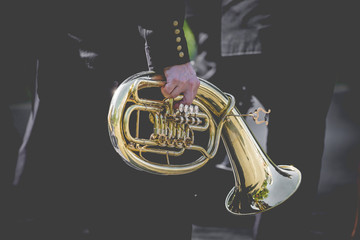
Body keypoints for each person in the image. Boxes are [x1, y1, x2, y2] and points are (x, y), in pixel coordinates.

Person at [8, 1, 200, 239]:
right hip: (124, 54)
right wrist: (172, 55)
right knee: (150, 214)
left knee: (85, 203)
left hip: (64, 52)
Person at [185, 0, 337, 239]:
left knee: (204, 130)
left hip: (234, 30)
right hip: (302, 34)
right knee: (297, 149)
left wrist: (207, 34)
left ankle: (197, 214)